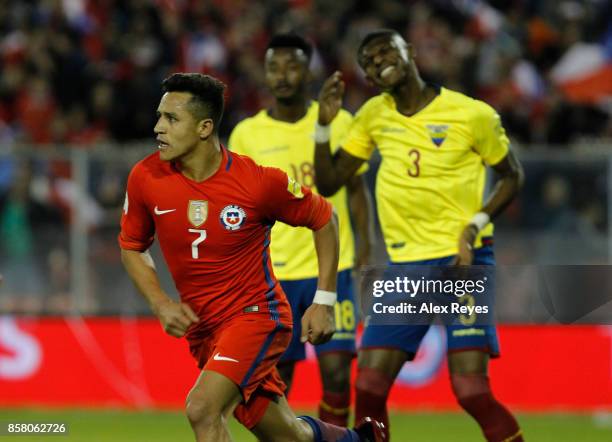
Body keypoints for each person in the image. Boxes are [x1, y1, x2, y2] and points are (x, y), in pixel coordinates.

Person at [119, 73, 384, 442]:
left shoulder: (256, 182)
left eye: (171, 119)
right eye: (159, 116)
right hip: (204, 331)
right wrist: (160, 302)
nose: (158, 127)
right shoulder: (145, 177)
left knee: (202, 409)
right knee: (288, 436)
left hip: (256, 316)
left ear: (204, 127)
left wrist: (324, 300)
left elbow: (325, 218)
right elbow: (132, 245)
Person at [313, 30, 524, 442]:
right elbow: (329, 180)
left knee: (471, 391)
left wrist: (474, 224)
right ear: (369, 78)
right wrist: (323, 127)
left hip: (464, 260)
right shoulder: (373, 115)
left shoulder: (471, 114)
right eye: (369, 61)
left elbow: (512, 175)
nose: (378, 61)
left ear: (408, 50)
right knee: (369, 388)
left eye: (385, 50)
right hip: (407, 268)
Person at [229, 33, 372, 426]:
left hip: (333, 267)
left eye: (292, 66)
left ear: (307, 69)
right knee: (280, 382)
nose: (282, 75)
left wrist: (366, 249)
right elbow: (240, 206)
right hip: (274, 273)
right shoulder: (247, 134)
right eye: (274, 67)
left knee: (339, 375)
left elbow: (357, 189)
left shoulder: (339, 121)